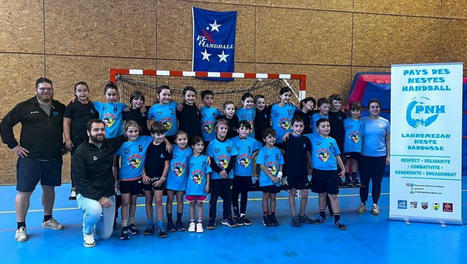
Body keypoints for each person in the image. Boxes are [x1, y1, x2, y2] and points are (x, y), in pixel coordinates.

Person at [0, 77, 66, 243]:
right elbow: (5, 124)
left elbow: (73, 123)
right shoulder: (24, 107)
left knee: (49, 190)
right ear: (36, 90)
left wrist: (67, 145)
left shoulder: (60, 107)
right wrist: (13, 145)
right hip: (30, 159)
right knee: (24, 192)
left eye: (49, 89)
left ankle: (47, 219)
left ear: (52, 90)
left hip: (53, 158)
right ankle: (20, 226)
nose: (46, 91)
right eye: (42, 89)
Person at [72, 119, 126, 247]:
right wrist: (99, 198)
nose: (99, 132)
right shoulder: (80, 153)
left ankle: (94, 219)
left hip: (107, 193)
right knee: (95, 210)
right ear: (88, 133)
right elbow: (79, 182)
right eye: (96, 130)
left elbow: (126, 136)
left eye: (102, 130)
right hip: (87, 194)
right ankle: (87, 230)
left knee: (105, 235)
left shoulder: (108, 145)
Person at [113, 121, 153, 240]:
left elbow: (158, 136)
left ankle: (131, 223)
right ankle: (124, 225)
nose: (133, 133)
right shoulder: (123, 146)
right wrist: (116, 180)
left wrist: (167, 142)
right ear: (126, 132)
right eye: (130, 131)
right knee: (125, 202)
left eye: (135, 131)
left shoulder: (144, 140)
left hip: (137, 178)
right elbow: (114, 163)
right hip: (125, 179)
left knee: (134, 201)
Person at [307, 118, 347, 230]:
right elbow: (299, 133)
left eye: (328, 126)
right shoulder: (313, 138)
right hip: (318, 172)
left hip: (331, 172)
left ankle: (337, 219)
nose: (326, 128)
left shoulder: (332, 141)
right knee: (321, 194)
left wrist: (343, 168)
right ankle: (322, 215)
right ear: (317, 128)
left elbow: (337, 155)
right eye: (323, 126)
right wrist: (289, 132)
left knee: (333, 195)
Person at [63, 81, 99, 200]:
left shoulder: (93, 106)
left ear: (88, 91)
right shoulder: (72, 106)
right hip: (76, 140)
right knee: (76, 164)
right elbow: (66, 123)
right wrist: (67, 139)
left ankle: (89, 186)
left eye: (84, 90)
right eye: (79, 91)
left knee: (91, 163)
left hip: (90, 141)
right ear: (75, 93)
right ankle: (75, 187)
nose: (82, 93)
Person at [357, 98, 390, 215]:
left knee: (377, 181)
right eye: (372, 107)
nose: (375, 109)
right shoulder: (362, 121)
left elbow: (387, 140)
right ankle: (363, 203)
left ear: (379, 108)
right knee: (364, 181)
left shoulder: (385, 122)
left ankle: (375, 204)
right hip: (364, 157)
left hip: (380, 157)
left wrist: (388, 156)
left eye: (377, 107)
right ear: (369, 109)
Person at [279, 116, 313, 227]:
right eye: (296, 126)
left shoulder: (306, 140)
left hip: (302, 171)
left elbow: (308, 154)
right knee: (292, 192)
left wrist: (311, 166)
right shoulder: (287, 139)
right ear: (292, 127)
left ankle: (302, 214)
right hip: (290, 171)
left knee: (305, 193)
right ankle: (294, 216)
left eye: (301, 126)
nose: (299, 128)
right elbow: (281, 153)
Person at [206, 118, 238, 229]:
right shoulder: (212, 144)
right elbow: (211, 161)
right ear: (216, 129)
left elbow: (233, 159)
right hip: (216, 176)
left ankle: (227, 218)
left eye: (225, 128)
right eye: (221, 128)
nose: (223, 130)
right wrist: (220, 171)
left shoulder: (230, 143)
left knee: (228, 198)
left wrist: (227, 171)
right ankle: (211, 219)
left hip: (228, 176)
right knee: (213, 199)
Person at [141, 122, 171, 237]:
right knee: (148, 200)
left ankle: (160, 225)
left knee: (158, 201)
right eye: (158, 134)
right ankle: (150, 224)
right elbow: (141, 162)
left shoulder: (166, 147)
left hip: (159, 178)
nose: (161, 136)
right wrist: (143, 175)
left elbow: (167, 165)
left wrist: (162, 179)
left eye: (163, 134)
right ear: (152, 134)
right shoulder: (147, 145)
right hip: (147, 178)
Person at [231, 121, 262, 225]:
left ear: (249, 131)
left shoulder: (253, 141)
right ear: (238, 130)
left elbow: (262, 147)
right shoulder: (232, 141)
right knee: (235, 194)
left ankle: (243, 214)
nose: (244, 131)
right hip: (235, 173)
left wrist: (255, 153)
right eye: (242, 128)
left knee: (244, 194)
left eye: (246, 129)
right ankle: (236, 214)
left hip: (247, 173)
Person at [166, 130, 192, 232]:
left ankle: (179, 221)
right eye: (180, 139)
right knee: (170, 200)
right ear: (176, 141)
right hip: (171, 179)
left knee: (180, 200)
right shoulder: (172, 148)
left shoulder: (189, 151)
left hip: (182, 180)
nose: (182, 141)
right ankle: (170, 222)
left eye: (184, 139)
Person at [256, 128, 284, 227]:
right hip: (266, 180)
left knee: (273, 197)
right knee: (265, 197)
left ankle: (272, 215)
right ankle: (266, 215)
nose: (272, 139)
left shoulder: (278, 151)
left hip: (276, 180)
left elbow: (281, 164)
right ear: (264, 139)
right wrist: (272, 177)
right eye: (269, 137)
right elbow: (262, 166)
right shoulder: (262, 151)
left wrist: (279, 176)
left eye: (274, 137)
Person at [186, 136, 212, 233]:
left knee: (200, 204)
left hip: (201, 186)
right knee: (192, 204)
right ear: (192, 146)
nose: (200, 147)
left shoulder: (205, 158)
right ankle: (192, 223)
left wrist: (207, 184)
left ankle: (199, 223)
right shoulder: (189, 159)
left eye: (202, 145)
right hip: (191, 186)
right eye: (198, 145)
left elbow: (207, 172)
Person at [328, 94, 347, 186]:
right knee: (332, 159)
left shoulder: (342, 115)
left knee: (340, 158)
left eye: (339, 103)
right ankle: (332, 176)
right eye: (335, 102)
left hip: (340, 140)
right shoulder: (327, 114)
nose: (338, 104)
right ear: (331, 103)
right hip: (330, 140)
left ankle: (339, 177)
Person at [343, 101, 362, 186]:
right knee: (347, 162)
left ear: (360, 112)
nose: (355, 112)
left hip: (357, 147)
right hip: (347, 146)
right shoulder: (346, 122)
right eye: (353, 110)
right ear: (350, 111)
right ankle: (347, 178)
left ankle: (354, 177)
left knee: (355, 162)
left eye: (357, 110)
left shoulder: (362, 122)